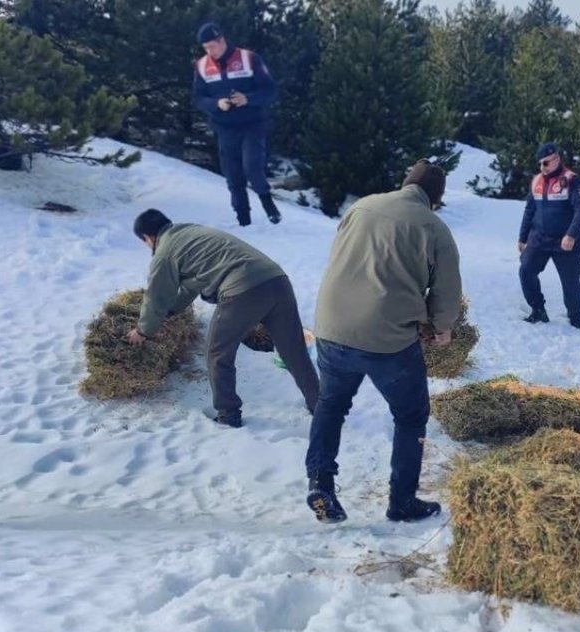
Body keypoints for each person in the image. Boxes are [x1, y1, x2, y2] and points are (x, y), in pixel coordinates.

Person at [304, 160, 461, 524]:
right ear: (435, 199)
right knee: (410, 415)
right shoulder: (434, 228)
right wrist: (442, 327)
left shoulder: (361, 206)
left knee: (331, 404)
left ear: (404, 183)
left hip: (331, 324)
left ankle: (320, 483)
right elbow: (447, 290)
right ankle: (402, 502)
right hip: (385, 338)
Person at [126, 210, 319, 427]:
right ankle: (320, 405)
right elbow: (192, 284)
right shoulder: (192, 232)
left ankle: (228, 415)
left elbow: (156, 295)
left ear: (148, 238)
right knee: (294, 350)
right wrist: (171, 311)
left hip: (242, 289)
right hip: (277, 280)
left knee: (217, 352)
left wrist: (143, 330)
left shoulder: (164, 252)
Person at [191, 22, 282, 227]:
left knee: (252, 167)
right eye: (205, 48)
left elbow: (270, 91)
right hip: (224, 126)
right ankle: (243, 220)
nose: (209, 51)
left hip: (252, 123)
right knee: (232, 174)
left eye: (212, 46)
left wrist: (247, 99)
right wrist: (216, 104)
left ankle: (268, 204)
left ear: (222, 40)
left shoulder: (248, 58)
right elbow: (198, 98)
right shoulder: (201, 66)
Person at [518, 141, 580, 330]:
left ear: (557, 159)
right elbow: (529, 210)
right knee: (526, 271)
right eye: (540, 163)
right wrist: (522, 237)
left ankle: (575, 317)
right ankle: (538, 310)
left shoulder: (572, 180)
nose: (542, 167)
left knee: (570, 281)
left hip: (565, 241)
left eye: (546, 163)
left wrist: (571, 235)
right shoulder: (536, 181)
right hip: (539, 238)